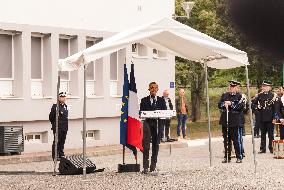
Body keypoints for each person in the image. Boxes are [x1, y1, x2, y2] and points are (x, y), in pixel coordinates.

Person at [140, 82, 167, 174]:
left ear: (157, 89)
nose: (153, 89)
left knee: (156, 145)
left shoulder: (161, 100)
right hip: (147, 123)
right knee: (146, 145)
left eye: (155, 88)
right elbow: (141, 113)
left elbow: (165, 113)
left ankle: (153, 166)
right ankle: (145, 167)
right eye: (151, 88)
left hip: (158, 124)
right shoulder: (144, 100)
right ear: (149, 89)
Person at [218, 80, 245, 163]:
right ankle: (227, 157)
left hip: (235, 121)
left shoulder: (240, 96)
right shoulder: (225, 95)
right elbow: (219, 104)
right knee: (226, 140)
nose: (231, 88)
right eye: (230, 86)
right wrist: (224, 104)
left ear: (237, 88)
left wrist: (231, 104)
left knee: (236, 140)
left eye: (233, 87)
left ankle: (239, 157)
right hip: (225, 120)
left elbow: (240, 107)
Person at [254, 81, 277, 154]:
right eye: (263, 86)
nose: (264, 87)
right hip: (262, 117)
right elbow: (254, 104)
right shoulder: (259, 96)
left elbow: (276, 108)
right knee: (263, 134)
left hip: (270, 118)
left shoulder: (273, 95)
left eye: (266, 86)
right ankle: (262, 149)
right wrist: (257, 112)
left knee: (271, 135)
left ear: (269, 87)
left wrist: (274, 118)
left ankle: (271, 148)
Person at [49, 92, 69, 161]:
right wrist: (55, 125)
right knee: (57, 141)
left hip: (64, 127)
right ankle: (55, 156)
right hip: (58, 127)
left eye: (64, 97)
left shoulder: (65, 106)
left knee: (62, 142)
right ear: (59, 98)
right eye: (62, 97)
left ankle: (61, 155)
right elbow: (51, 117)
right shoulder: (55, 106)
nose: (63, 98)